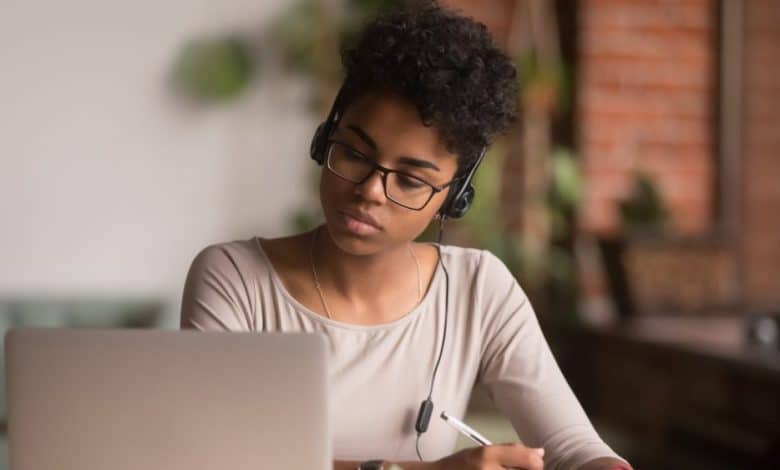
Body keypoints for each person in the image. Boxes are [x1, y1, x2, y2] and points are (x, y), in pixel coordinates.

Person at [180, 2, 632, 469]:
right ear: (324, 139)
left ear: (453, 197)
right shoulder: (234, 280)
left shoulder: (479, 289)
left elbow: (576, 448)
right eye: (354, 153)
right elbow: (211, 457)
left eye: (411, 181)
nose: (370, 192)